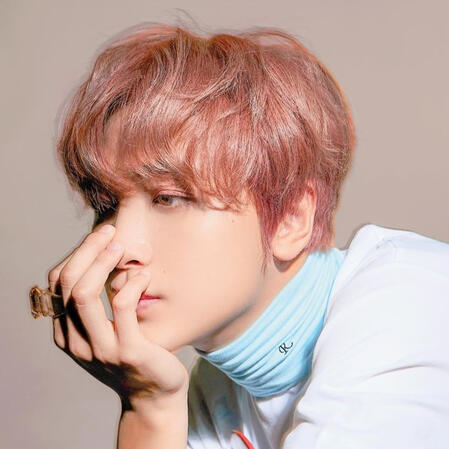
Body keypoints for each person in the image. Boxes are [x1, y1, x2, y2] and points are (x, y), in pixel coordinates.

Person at [40, 21, 449, 449]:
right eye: (106, 204)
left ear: (291, 216)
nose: (120, 246)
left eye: (168, 198)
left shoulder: (408, 305)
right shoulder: (213, 390)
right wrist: (147, 406)